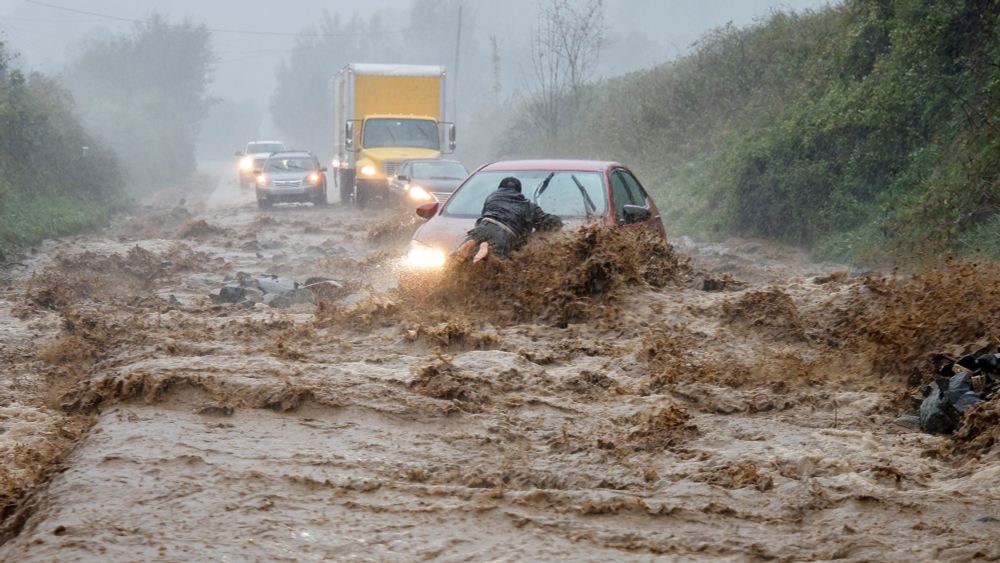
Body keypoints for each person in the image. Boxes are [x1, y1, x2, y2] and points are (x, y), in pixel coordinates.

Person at [454, 176, 563, 263]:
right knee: (493, 267)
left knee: (455, 260)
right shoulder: (528, 206)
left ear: (500, 189)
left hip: (484, 226)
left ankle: (476, 242)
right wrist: (559, 222)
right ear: (518, 192)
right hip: (504, 233)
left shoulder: (491, 198)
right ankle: (486, 249)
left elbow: (482, 216)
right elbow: (547, 222)